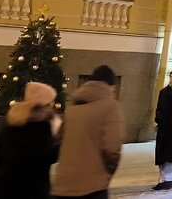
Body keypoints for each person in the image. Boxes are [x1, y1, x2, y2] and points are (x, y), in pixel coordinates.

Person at [53, 65, 124, 199]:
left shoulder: (72, 109)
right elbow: (112, 148)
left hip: (63, 184)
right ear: (110, 85)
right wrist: (107, 173)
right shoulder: (111, 107)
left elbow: (60, 141)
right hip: (93, 186)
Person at [0, 81, 60, 199]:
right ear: (44, 104)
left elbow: (0, 152)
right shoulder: (41, 125)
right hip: (30, 186)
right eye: (50, 102)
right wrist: (61, 146)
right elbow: (44, 156)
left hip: (3, 184)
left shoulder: (13, 120)